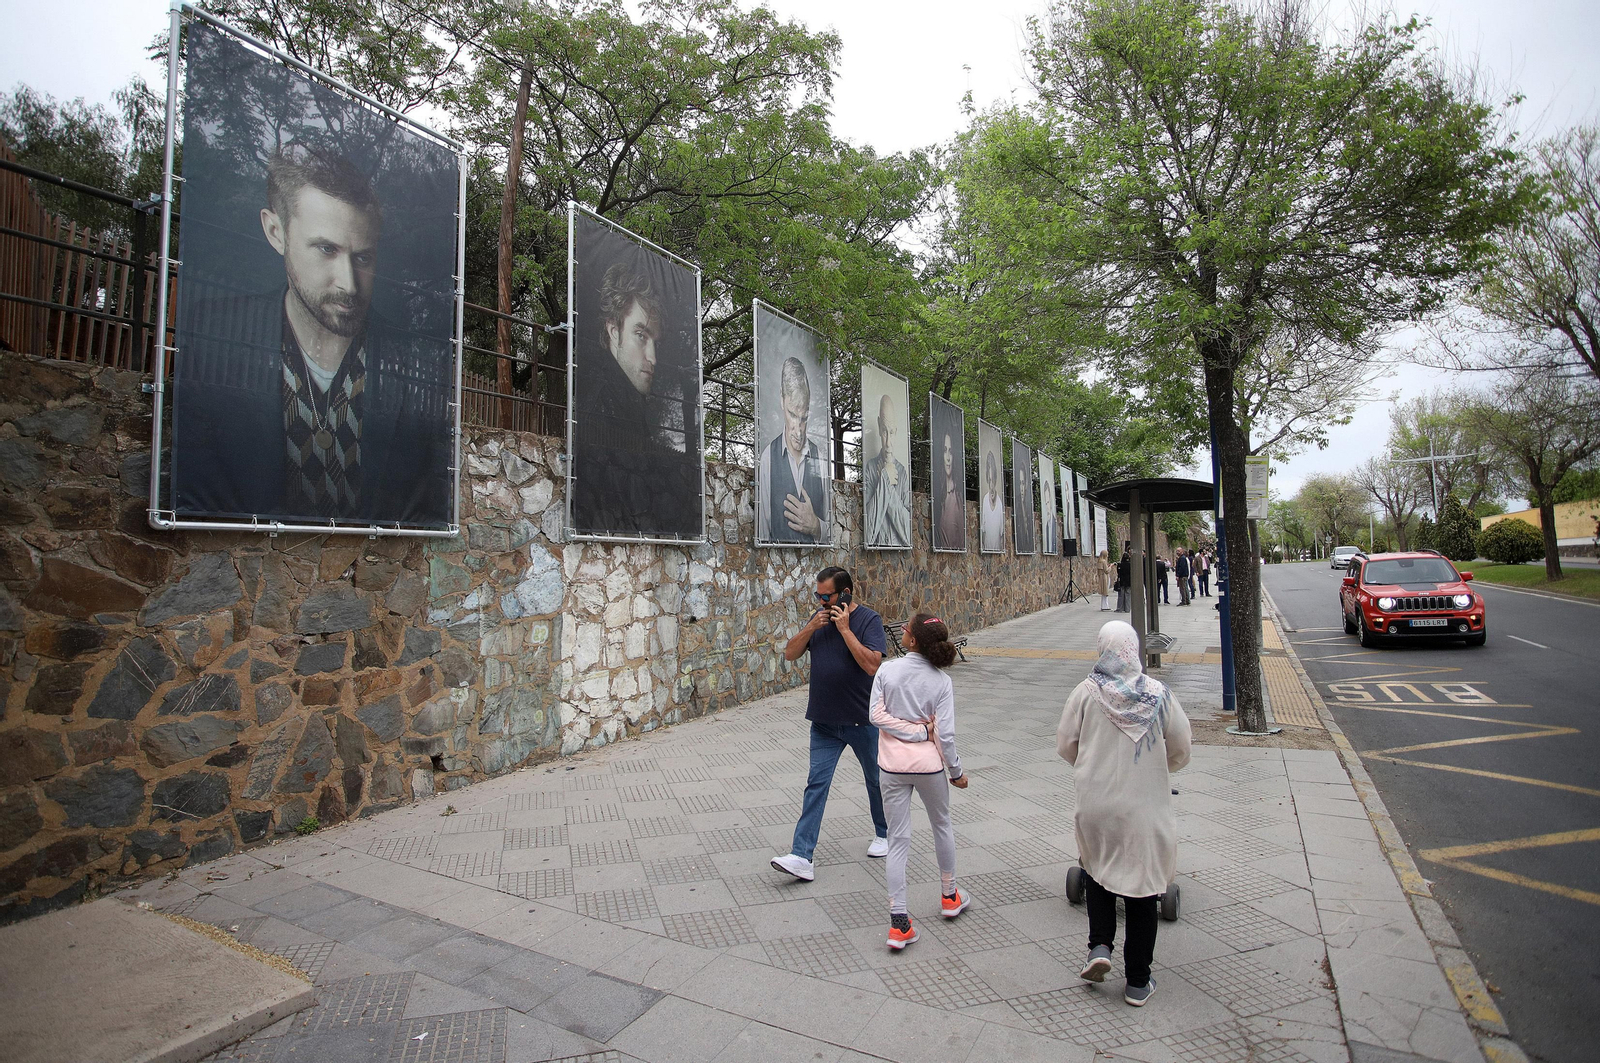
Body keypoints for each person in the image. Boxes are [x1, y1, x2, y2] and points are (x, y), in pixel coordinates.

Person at [175, 144, 452, 525]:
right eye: (326, 249)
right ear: (276, 232)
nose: (349, 284)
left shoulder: (413, 360)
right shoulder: (215, 337)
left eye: (363, 257)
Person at [1057, 620, 1192, 1007]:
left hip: (1096, 803)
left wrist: (1092, 764)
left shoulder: (1085, 693)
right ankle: (1137, 981)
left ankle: (1099, 948)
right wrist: (1154, 765)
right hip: (1143, 806)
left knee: (1097, 870)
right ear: (1134, 649)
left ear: (1102, 649)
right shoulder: (1159, 695)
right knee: (1144, 888)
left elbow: (1067, 745)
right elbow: (1181, 748)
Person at [571, 252, 702, 538]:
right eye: (640, 335)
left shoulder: (628, 402)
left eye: (654, 341)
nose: (652, 357)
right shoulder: (599, 407)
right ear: (613, 331)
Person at [772, 566, 890, 881]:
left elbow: (871, 665)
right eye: (818, 596)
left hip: (862, 721)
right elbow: (790, 654)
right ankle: (801, 856)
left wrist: (846, 630)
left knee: (876, 780)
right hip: (824, 722)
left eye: (828, 596)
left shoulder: (868, 621)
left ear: (846, 593)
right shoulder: (819, 619)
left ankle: (884, 833)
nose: (823, 602)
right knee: (816, 785)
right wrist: (811, 627)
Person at [866, 613, 970, 949]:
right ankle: (950, 895)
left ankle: (898, 922)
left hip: (891, 767)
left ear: (911, 640)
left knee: (897, 840)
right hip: (929, 767)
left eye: (906, 628)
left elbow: (875, 715)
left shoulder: (887, 670)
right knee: (942, 825)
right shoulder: (941, 681)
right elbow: (947, 735)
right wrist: (954, 771)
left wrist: (905, 732)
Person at [759, 357, 830, 543]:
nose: (798, 430)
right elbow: (763, 532)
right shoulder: (767, 457)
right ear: (782, 400)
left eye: (804, 418)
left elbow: (832, 530)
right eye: (792, 415)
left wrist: (817, 527)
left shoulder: (820, 458)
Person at [863, 393, 911, 548]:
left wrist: (884, 483)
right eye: (884, 431)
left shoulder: (902, 472)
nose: (888, 442)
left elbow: (907, 533)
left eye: (891, 432)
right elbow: (869, 533)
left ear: (896, 431)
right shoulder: (870, 468)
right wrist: (886, 478)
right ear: (878, 427)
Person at [935, 430, 965, 550]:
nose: (947, 458)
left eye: (950, 452)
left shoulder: (957, 498)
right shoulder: (938, 493)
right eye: (944, 451)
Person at [980, 451, 1005, 552]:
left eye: (993, 480)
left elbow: (1002, 534)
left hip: (997, 551)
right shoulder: (985, 501)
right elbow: (982, 531)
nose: (991, 484)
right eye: (989, 480)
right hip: (986, 550)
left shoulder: (1000, 502)